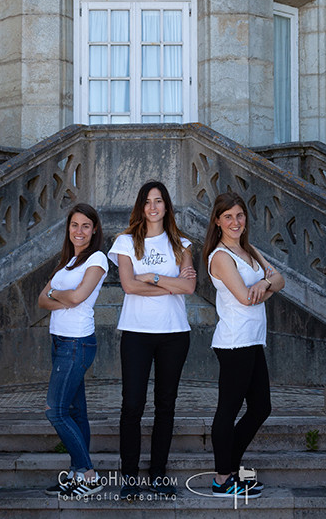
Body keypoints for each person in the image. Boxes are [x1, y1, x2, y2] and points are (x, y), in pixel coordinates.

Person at [108, 180, 196, 500]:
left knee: (165, 405)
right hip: (136, 332)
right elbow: (129, 286)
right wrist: (169, 284)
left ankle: (158, 475)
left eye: (158, 200)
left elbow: (188, 289)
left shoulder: (182, 244)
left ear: (166, 206)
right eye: (147, 201)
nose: (153, 206)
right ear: (141, 206)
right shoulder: (125, 242)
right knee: (132, 405)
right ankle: (130, 478)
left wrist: (154, 277)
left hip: (174, 333)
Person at [202, 192, 285, 498]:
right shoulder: (221, 257)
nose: (235, 222)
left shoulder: (249, 250)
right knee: (228, 409)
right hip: (235, 341)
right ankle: (223, 479)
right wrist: (267, 283)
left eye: (239, 215)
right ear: (217, 221)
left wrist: (264, 283)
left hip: (252, 339)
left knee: (262, 407)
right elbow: (244, 297)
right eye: (228, 217)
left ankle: (230, 469)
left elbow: (281, 280)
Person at [37, 203, 108, 499]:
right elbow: (42, 299)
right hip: (59, 341)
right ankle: (79, 474)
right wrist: (59, 296)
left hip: (77, 342)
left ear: (94, 231)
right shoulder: (68, 262)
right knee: (76, 412)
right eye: (74, 225)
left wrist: (58, 295)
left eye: (85, 226)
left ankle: (88, 473)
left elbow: (78, 297)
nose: (79, 231)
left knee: (56, 411)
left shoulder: (98, 259)